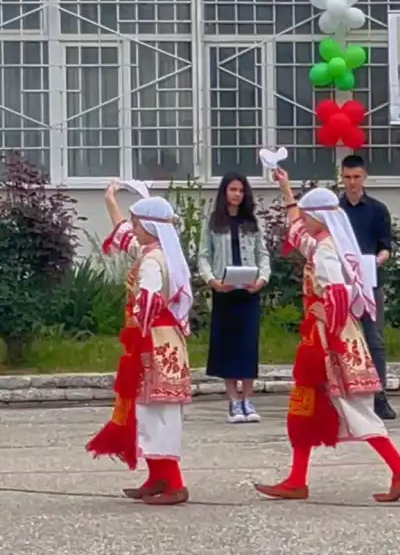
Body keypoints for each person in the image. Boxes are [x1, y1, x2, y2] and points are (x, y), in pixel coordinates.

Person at [254, 169, 400, 503]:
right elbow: (298, 230)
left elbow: (339, 293)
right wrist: (286, 188)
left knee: (355, 412)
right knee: (305, 407)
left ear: (319, 218)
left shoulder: (327, 251)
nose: (304, 223)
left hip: (330, 342)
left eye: (308, 216)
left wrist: (327, 314)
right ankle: (297, 479)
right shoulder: (328, 245)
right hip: (330, 337)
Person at [86, 183, 194, 506]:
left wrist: (135, 326)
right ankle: (157, 476)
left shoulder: (152, 261)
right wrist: (110, 201)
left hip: (154, 345)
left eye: (136, 223)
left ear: (148, 226)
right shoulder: (155, 252)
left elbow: (146, 302)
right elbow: (124, 235)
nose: (132, 228)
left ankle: (174, 482)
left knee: (156, 412)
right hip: (162, 344)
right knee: (148, 410)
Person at [197, 171, 270, 424]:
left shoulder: (252, 221)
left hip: (249, 292)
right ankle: (233, 401)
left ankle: (247, 399)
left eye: (240, 190)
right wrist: (212, 281)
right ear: (224, 192)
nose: (237, 194)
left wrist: (262, 279)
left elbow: (263, 255)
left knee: (247, 345)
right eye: (232, 190)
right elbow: (203, 256)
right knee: (227, 346)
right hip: (225, 291)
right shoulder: (213, 221)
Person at [338, 154, 397, 420]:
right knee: (342, 338)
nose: (352, 182)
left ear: (364, 177)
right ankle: (345, 394)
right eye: (348, 177)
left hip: (370, 282)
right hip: (341, 283)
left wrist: (373, 262)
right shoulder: (335, 211)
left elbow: (386, 248)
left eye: (356, 177)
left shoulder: (377, 209)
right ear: (341, 177)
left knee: (375, 339)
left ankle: (379, 395)